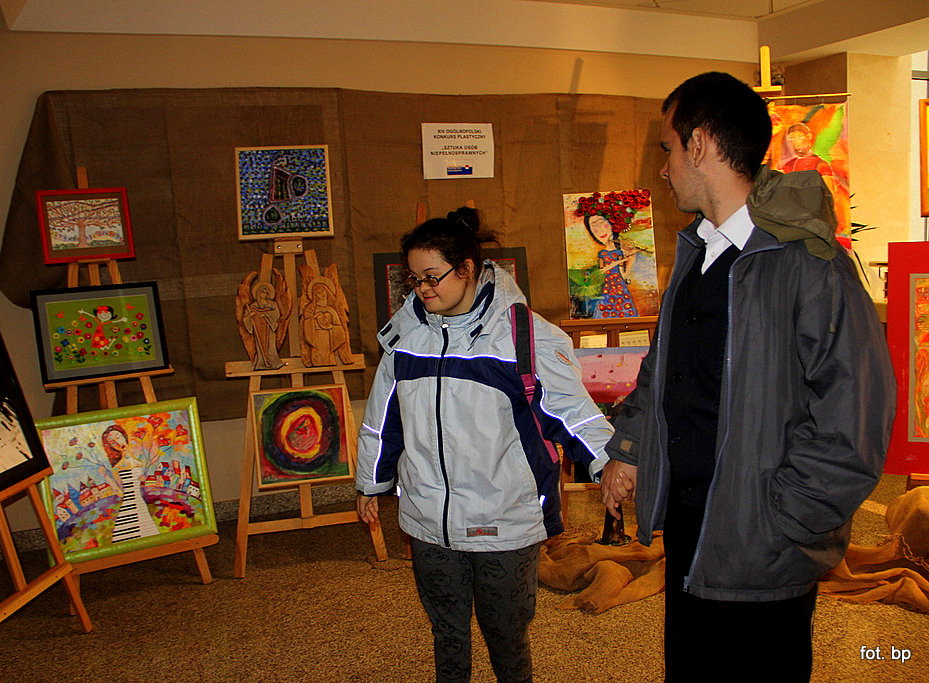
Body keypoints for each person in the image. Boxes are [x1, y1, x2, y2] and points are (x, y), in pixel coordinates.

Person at [599, 72, 896, 681]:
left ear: (700, 144)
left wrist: (785, 521)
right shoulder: (697, 252)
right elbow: (663, 369)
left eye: (668, 149)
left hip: (766, 548)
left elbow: (856, 415)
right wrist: (628, 450)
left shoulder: (810, 264)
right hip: (692, 529)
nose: (664, 169)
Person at [356, 207, 613, 683]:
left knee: (506, 636)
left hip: (504, 519)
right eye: (414, 279)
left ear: (467, 268)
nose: (422, 288)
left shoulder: (523, 336)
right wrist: (370, 483)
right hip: (427, 518)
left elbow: (573, 411)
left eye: (432, 276)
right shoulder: (405, 336)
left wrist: (612, 465)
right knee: (447, 632)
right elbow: (382, 418)